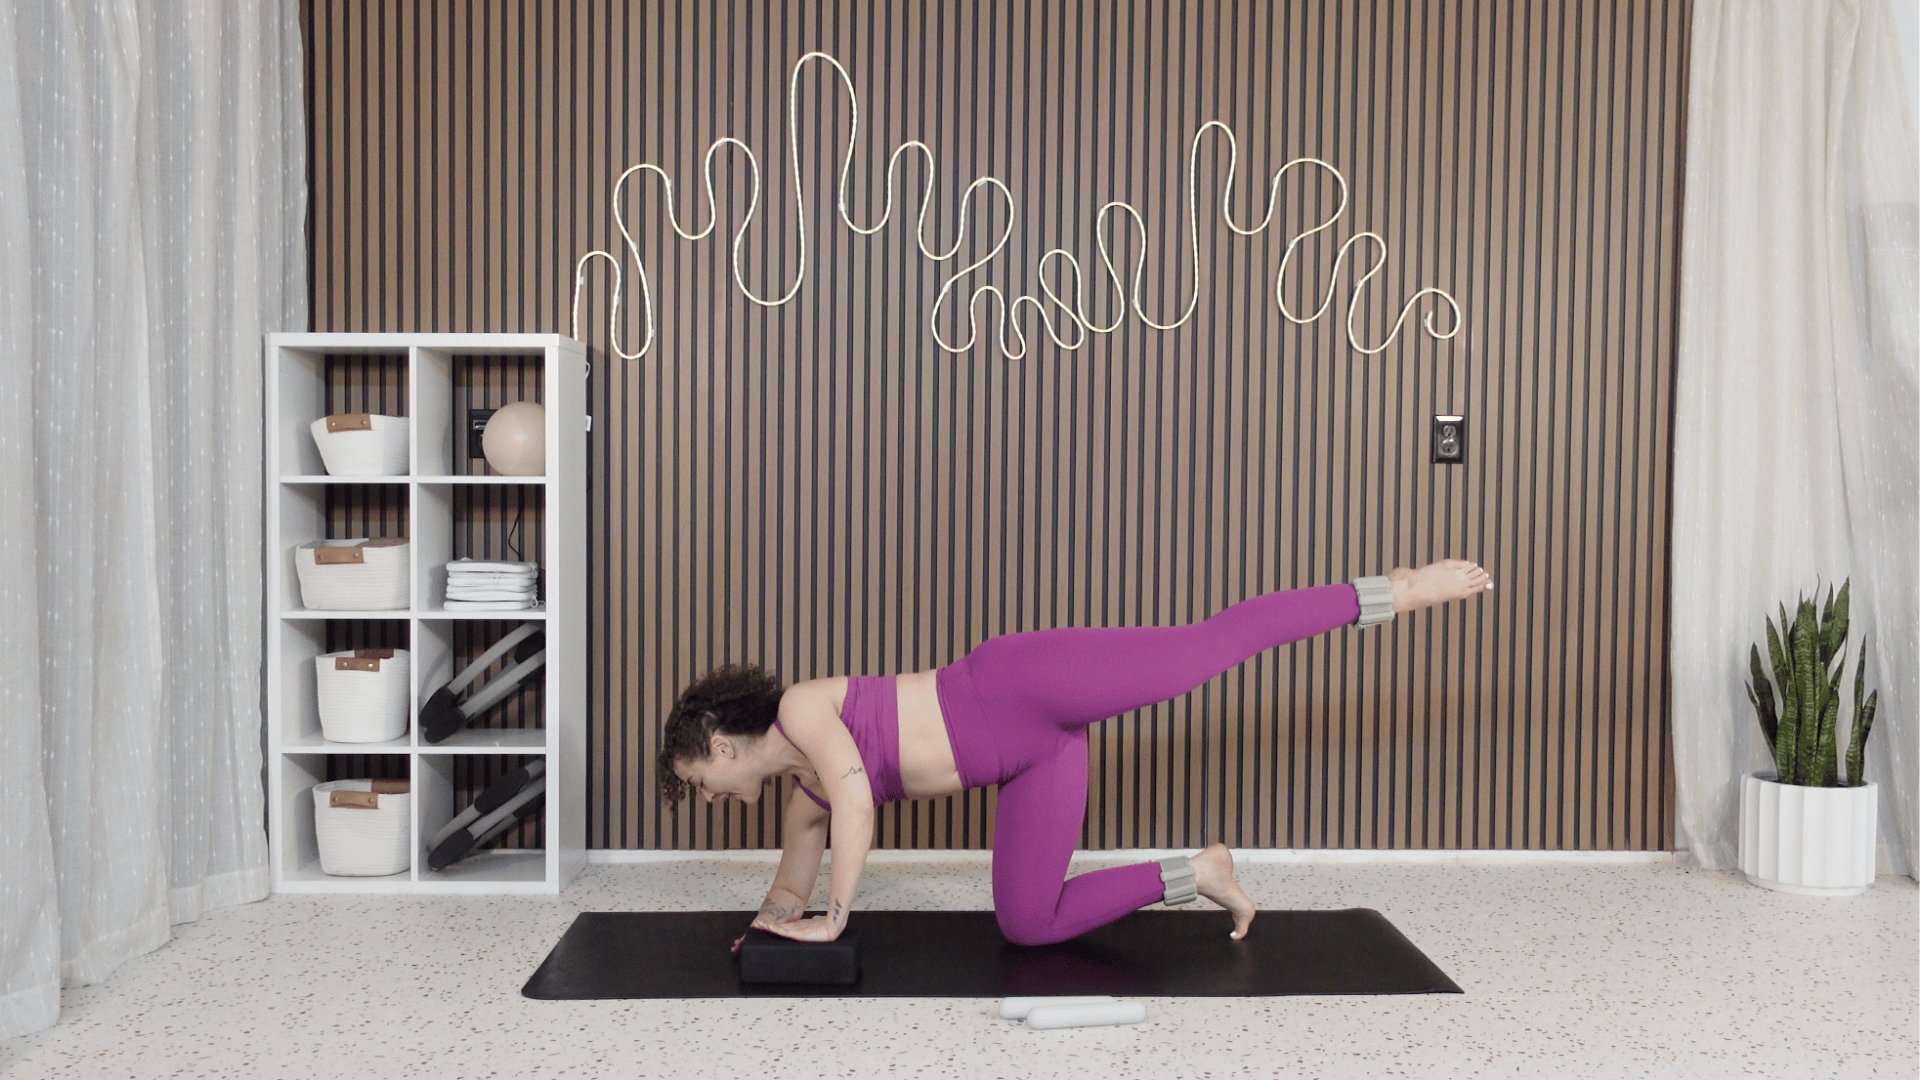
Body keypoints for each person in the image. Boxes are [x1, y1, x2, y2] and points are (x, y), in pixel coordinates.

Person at [657, 560, 1495, 947]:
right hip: (1030, 763)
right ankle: (1199, 872)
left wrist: (836, 920)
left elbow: (857, 798)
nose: (711, 797)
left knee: (1204, 648)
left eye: (702, 782)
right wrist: (776, 920)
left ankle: (1394, 591)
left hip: (1021, 685)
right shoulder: (803, 800)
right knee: (1028, 923)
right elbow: (790, 883)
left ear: (722, 745)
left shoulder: (804, 710)